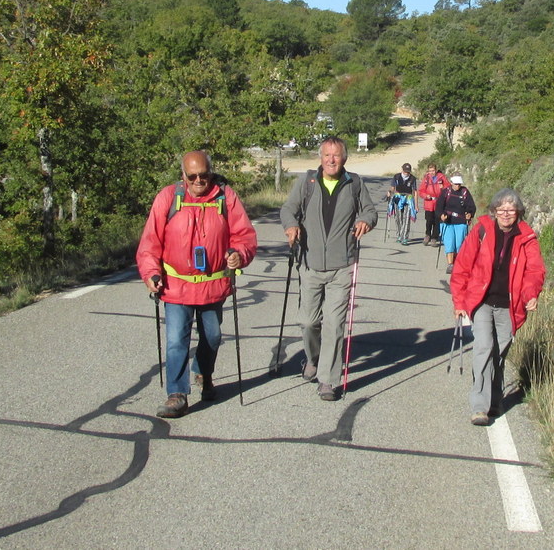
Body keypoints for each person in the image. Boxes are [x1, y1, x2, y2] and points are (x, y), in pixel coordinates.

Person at [137, 150, 258, 419]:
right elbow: (150, 242)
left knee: (212, 337)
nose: (199, 180)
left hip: (213, 285)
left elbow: (244, 235)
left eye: (204, 175)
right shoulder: (168, 198)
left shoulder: (226, 197)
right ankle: (177, 394)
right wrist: (151, 273)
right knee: (176, 340)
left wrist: (239, 253)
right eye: (192, 176)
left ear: (211, 172)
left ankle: (203, 372)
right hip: (176, 285)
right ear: (183, 176)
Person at [280, 136, 377, 401]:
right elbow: (288, 209)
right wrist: (291, 226)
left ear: (344, 158)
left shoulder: (354, 183)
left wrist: (365, 221)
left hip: (342, 265)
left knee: (334, 324)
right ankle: (313, 359)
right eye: (326, 155)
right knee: (308, 322)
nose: (331, 160)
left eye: (336, 156)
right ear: (320, 158)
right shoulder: (307, 182)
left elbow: (370, 211)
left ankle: (328, 380)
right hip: (309, 263)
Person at [451, 188, 545, 426]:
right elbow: (462, 265)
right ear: (493, 211)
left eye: (511, 209)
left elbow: (534, 271)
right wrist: (460, 301)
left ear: (518, 212)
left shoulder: (527, 237)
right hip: (481, 301)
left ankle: (495, 399)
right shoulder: (482, 230)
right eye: (501, 209)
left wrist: (530, 294)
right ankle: (479, 407)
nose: (505, 214)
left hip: (510, 306)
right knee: (484, 347)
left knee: (499, 353)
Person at [436, 174, 475, 274]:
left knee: (459, 244)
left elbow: (471, 206)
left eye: (459, 184)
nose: (457, 186)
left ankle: (457, 263)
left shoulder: (465, 192)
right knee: (449, 243)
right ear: (451, 183)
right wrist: (441, 215)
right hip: (447, 221)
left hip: (460, 221)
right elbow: (439, 206)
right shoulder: (446, 192)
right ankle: (450, 264)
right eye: (456, 184)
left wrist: (470, 214)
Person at [386, 162, 418, 245]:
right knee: (398, 217)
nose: (406, 173)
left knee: (407, 218)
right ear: (402, 170)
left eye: (408, 172)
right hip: (398, 198)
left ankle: (405, 237)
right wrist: (390, 192)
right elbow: (393, 188)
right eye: (405, 171)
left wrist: (416, 205)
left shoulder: (412, 179)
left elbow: (415, 192)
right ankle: (399, 235)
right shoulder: (396, 177)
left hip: (408, 198)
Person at [418, 163, 447, 246]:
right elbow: (421, 191)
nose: (432, 172)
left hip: (439, 202)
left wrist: (442, 188)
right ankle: (427, 235)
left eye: (433, 170)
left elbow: (448, 188)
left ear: (436, 170)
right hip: (429, 202)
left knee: (437, 221)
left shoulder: (442, 177)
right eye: (430, 171)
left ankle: (434, 237)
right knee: (429, 220)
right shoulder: (426, 178)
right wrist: (426, 196)